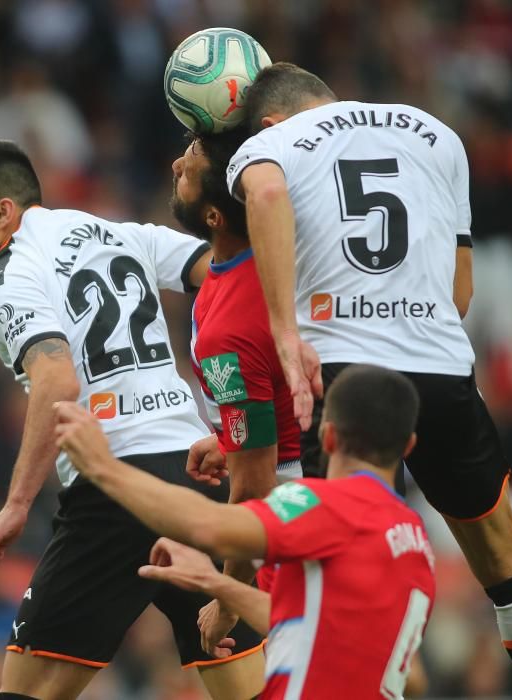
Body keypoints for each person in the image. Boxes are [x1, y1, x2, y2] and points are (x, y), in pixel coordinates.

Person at [225, 62, 512, 699]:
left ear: (273, 120)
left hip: (343, 376)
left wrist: (286, 329)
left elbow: (269, 196)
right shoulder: (437, 134)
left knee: (325, 562)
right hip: (440, 369)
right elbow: (462, 289)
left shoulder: (270, 146)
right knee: (505, 558)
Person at [0, 140, 264, 700]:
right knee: (246, 684)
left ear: (3, 212)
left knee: (26, 691)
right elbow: (226, 269)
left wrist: (15, 506)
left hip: (114, 487)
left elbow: (58, 380)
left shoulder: (9, 274)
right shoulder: (118, 233)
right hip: (194, 477)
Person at [54, 363, 436, 700]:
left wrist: (103, 467)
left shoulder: (325, 506)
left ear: (328, 437)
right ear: (409, 445)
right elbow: (404, 672)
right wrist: (218, 585)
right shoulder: (415, 537)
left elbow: (208, 527)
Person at [169, 129, 303, 653]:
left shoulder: (228, 327)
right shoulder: (269, 267)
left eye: (192, 165)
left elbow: (251, 489)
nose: (177, 165)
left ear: (214, 217)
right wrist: (231, 436)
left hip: (294, 515)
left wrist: (226, 599)